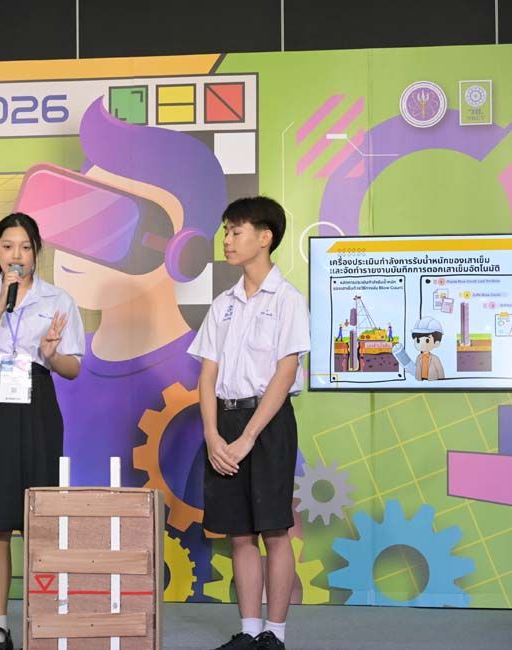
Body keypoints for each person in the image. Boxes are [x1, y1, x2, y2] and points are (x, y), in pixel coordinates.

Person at [0, 212, 85, 650]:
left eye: (25, 247)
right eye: (8, 246)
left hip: (36, 404)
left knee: (38, 519)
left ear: (36, 251)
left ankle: (43, 620)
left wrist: (51, 353)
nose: (16, 255)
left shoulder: (58, 298)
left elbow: (73, 368)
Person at [188, 197, 310, 650]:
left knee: (275, 530)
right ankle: (250, 629)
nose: (227, 239)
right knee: (239, 533)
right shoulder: (223, 304)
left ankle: (275, 635)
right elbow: (207, 374)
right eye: (225, 230)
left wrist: (248, 438)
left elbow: (285, 373)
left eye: (236, 231)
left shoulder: (288, 300)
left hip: (269, 424)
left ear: (265, 237)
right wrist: (212, 435)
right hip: (224, 420)